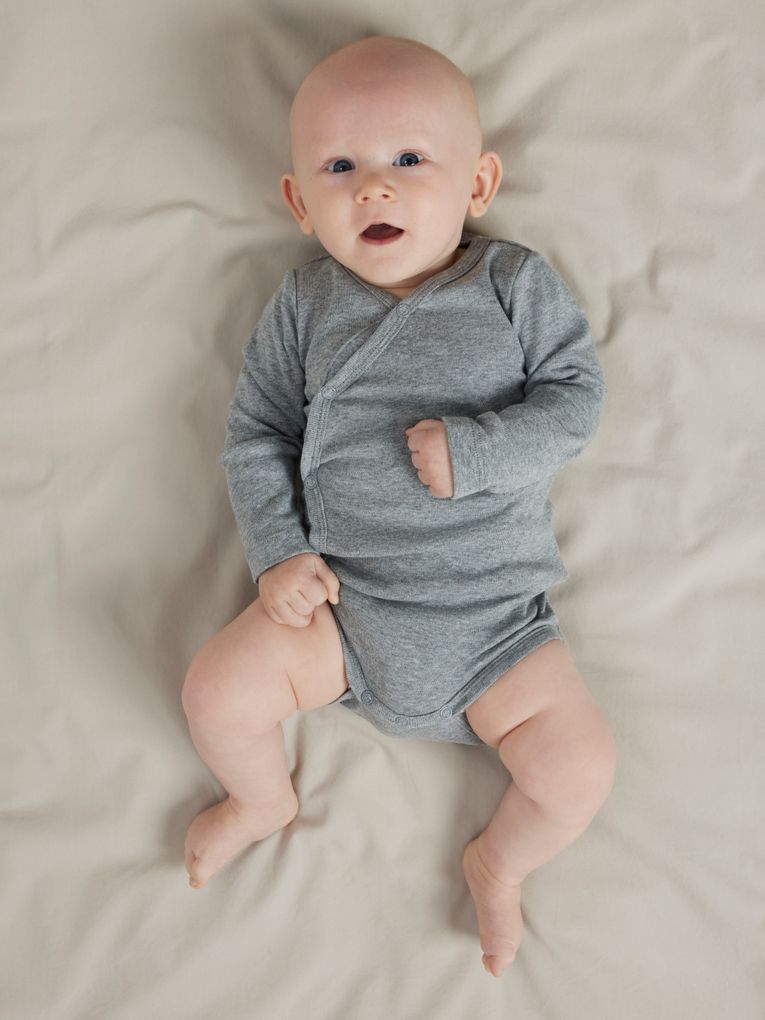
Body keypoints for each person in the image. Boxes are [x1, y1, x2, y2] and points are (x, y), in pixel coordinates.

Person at [181, 34, 617, 978]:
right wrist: (276, 553)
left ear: (478, 183)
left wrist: (479, 451)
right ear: (299, 203)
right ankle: (262, 799)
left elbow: (576, 399)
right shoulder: (305, 303)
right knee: (215, 690)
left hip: (495, 628)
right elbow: (256, 434)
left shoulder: (509, 283)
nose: (373, 188)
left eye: (408, 159)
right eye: (339, 167)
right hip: (344, 613)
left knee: (579, 768)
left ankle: (498, 863)